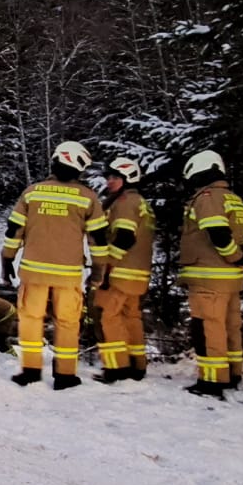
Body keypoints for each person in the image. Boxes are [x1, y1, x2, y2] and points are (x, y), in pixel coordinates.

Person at [1, 141, 107, 389]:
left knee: (30, 320)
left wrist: (7, 258)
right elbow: (99, 238)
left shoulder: (32, 192)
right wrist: (98, 270)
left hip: (33, 272)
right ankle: (65, 376)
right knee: (68, 323)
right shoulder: (87, 197)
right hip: (68, 275)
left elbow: (14, 229)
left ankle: (30, 372)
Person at [178, 150, 243, 399]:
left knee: (208, 327)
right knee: (230, 327)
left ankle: (211, 380)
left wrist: (237, 257)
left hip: (209, 278)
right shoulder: (235, 199)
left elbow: (219, 234)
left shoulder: (208, 198)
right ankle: (233, 373)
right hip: (232, 279)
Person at [91, 156, 151, 383]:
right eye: (108, 177)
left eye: (115, 177)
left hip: (119, 272)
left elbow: (125, 237)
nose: (109, 181)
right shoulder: (140, 201)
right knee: (131, 317)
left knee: (109, 317)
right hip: (138, 273)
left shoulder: (124, 202)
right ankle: (137, 365)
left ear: (128, 178)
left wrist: (106, 265)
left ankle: (116, 367)